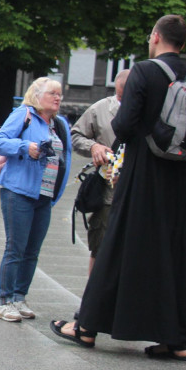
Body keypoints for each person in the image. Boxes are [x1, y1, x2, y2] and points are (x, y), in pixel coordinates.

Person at [51, 15, 186, 360]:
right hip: (179, 179)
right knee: (175, 253)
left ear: (155, 37)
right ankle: (177, 340)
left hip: (143, 173)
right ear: (183, 42)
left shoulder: (145, 72)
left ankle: (85, 327)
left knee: (118, 245)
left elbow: (123, 123)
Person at [0, 77, 71, 322]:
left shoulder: (60, 124)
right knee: (16, 248)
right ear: (37, 96)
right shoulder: (23, 114)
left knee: (32, 251)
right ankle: (5, 301)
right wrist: (25, 147)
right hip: (18, 191)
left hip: (44, 195)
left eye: (59, 94)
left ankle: (19, 296)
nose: (57, 98)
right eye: (52, 94)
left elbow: (65, 156)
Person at [70, 70, 130, 274]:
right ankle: (92, 302)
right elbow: (76, 136)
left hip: (137, 190)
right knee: (100, 248)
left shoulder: (151, 111)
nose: (124, 99)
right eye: (121, 95)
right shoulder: (101, 109)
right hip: (107, 191)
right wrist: (94, 147)